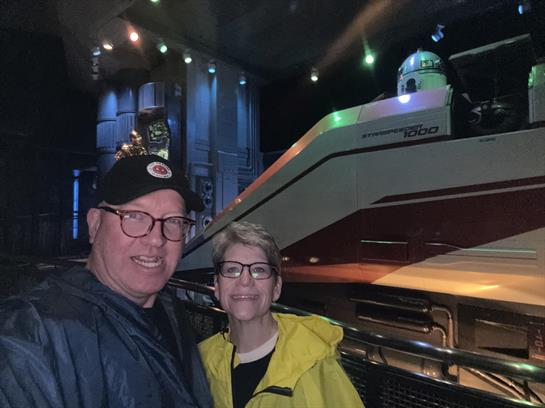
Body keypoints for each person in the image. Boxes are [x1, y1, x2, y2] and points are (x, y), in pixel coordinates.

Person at [0, 154, 212, 408]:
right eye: (134, 216)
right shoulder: (32, 332)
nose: (157, 239)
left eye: (174, 221)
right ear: (95, 224)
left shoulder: (172, 312)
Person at [199, 221, 364, 408]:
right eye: (232, 270)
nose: (245, 280)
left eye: (258, 270)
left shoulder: (315, 362)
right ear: (217, 286)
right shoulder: (200, 361)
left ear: (276, 288)